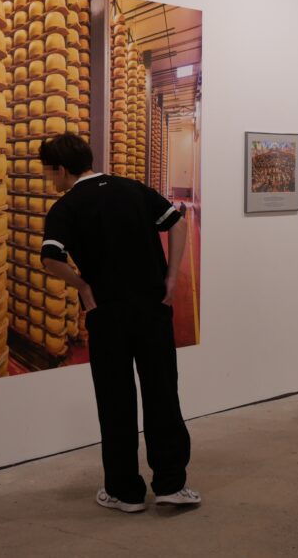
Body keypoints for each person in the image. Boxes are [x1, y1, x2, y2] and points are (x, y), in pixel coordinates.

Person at [38, 133, 199, 513]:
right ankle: (171, 484)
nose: (49, 179)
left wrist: (82, 286)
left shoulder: (66, 207)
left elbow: (50, 258)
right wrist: (171, 276)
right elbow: (177, 224)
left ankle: (125, 492)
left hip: (107, 313)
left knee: (115, 401)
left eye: (48, 172)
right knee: (162, 393)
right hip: (152, 307)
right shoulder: (132, 189)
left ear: (60, 169)